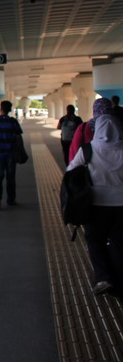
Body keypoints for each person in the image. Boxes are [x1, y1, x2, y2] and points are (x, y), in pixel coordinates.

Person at [66, 114, 123, 295]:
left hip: (96, 204)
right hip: (121, 205)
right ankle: (119, 279)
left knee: (95, 239)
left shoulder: (88, 149)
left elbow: (71, 170)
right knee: (118, 242)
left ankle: (103, 278)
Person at [69, 98, 114, 163]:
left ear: (95, 110)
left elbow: (74, 150)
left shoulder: (84, 127)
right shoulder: (118, 126)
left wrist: (73, 166)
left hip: (91, 165)